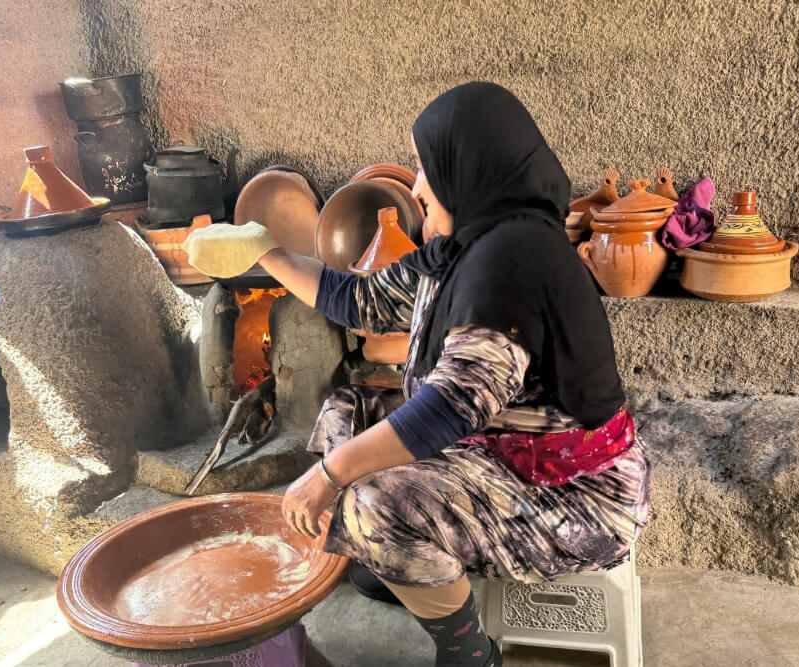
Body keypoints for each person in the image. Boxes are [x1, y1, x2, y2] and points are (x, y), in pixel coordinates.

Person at [187, 81, 651, 667]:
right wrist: (262, 251)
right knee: (343, 413)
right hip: (496, 452)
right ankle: (410, 562)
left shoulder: (512, 266)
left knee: (367, 500)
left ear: (471, 167)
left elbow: (450, 408)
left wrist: (327, 477)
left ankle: (466, 649)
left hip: (568, 494)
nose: (417, 185)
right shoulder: (462, 249)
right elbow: (358, 301)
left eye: (428, 167)